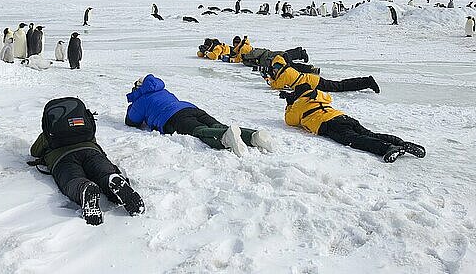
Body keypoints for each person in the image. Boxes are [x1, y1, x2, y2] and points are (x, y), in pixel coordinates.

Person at [30, 97, 145, 225]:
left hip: (62, 159)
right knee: (102, 172)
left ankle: (84, 188)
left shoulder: (50, 133)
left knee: (73, 179)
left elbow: (34, 152)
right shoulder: (82, 123)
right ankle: (111, 180)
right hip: (91, 151)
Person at [125, 74, 274, 156]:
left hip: (173, 118)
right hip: (191, 108)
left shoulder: (141, 100)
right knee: (218, 125)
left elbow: (132, 121)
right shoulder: (163, 91)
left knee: (199, 131)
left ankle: (225, 138)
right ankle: (254, 136)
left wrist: (134, 102)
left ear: (139, 88)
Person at [279, 83, 426, 162]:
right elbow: (327, 97)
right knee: (369, 133)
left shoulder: (299, 104)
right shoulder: (321, 96)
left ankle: (387, 148)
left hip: (328, 124)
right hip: (343, 117)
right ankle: (400, 143)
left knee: (356, 140)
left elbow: (290, 121)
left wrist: (290, 103)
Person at [264, 54, 380, 93]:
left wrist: (268, 79)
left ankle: (367, 82)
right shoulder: (287, 69)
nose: (273, 70)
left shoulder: (284, 74)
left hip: (314, 83)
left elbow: (276, 86)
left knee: (340, 86)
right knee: (339, 85)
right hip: (312, 80)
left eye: (274, 68)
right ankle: (366, 81)